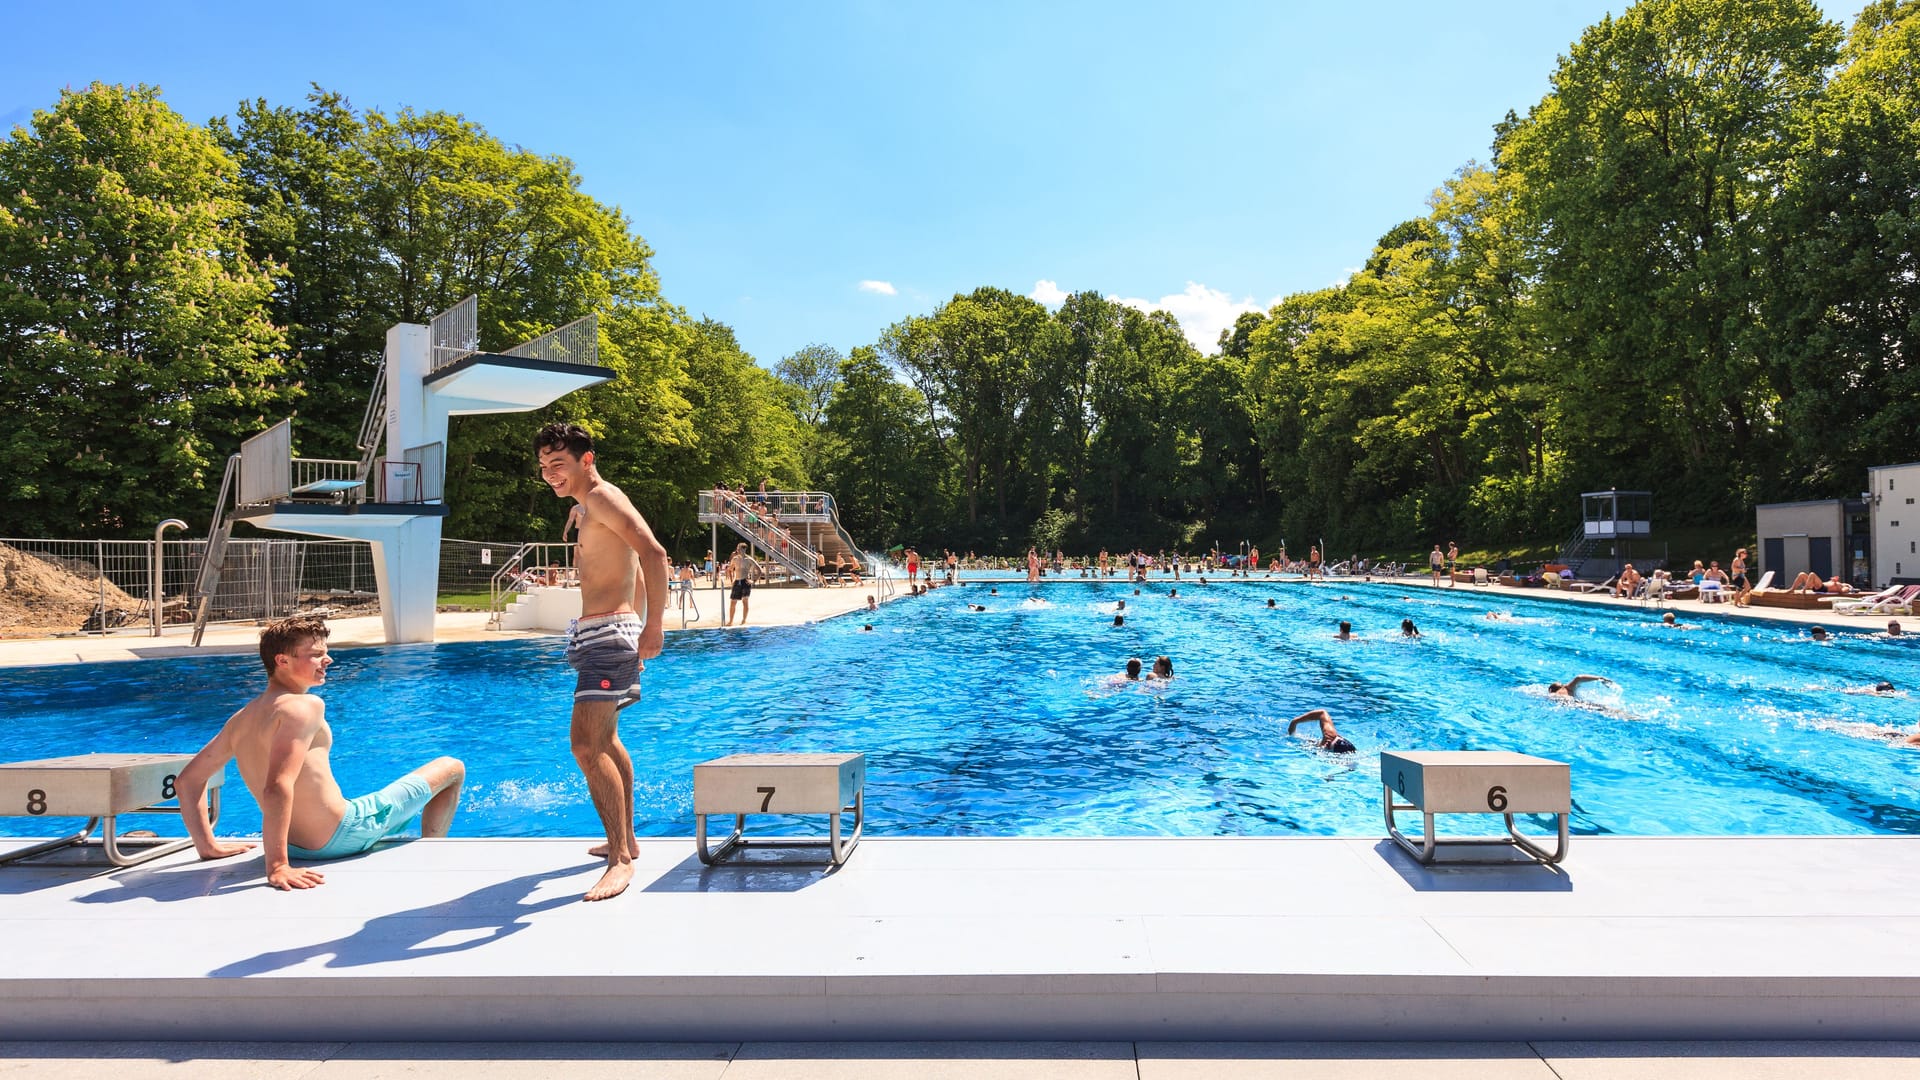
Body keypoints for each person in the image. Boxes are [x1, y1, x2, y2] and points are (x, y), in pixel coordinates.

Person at [174, 616, 465, 892]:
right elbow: (277, 785)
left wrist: (207, 846)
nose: (328, 660)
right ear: (282, 661)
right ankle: (431, 854)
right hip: (340, 835)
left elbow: (187, 781)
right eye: (315, 654)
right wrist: (277, 867)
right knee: (451, 767)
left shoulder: (241, 718)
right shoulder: (304, 706)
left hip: (292, 843)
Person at [536, 422, 670, 901]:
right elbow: (628, 561)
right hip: (604, 634)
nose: (551, 474)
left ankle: (619, 860)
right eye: (545, 467)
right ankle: (627, 839)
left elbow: (653, 553)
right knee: (606, 740)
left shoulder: (603, 498)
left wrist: (653, 625)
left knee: (585, 747)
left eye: (560, 465)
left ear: (586, 459)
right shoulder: (591, 504)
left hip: (611, 637)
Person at [724, 543, 763, 627]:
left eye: (739, 548)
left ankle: (744, 620)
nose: (737, 550)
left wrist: (754, 580)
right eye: (737, 548)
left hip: (745, 581)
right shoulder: (734, 559)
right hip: (737, 581)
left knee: (745, 601)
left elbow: (759, 570)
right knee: (733, 602)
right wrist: (732, 579)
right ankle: (731, 621)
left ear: (744, 549)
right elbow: (730, 569)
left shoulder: (749, 559)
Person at [1287, 709, 1356, 753]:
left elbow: (1322, 713)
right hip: (1345, 746)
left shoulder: (1328, 739)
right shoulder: (1329, 735)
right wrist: (1295, 721)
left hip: (1335, 744)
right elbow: (1322, 713)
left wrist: (1295, 721)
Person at [1547, 674, 1614, 699]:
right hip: (1573, 702)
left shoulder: (1553, 695)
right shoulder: (1567, 688)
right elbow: (1579, 677)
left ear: (1550, 690)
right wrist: (1600, 678)